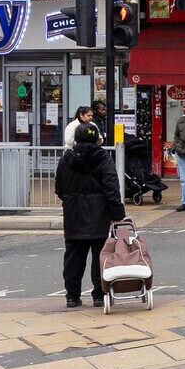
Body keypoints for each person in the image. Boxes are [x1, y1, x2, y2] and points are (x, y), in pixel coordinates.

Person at [55, 121, 123, 307]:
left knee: (73, 256)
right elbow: (112, 188)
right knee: (100, 255)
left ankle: (72, 296)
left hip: (73, 213)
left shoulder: (65, 159)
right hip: (99, 213)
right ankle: (99, 295)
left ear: (76, 138)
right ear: (96, 138)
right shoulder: (103, 158)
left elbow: (59, 188)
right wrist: (118, 213)